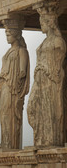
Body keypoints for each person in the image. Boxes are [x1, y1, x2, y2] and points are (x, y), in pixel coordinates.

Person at [27, 8, 66, 146]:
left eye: (42, 21)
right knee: (32, 108)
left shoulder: (58, 41)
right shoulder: (44, 42)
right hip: (40, 81)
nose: (40, 24)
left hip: (51, 81)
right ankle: (41, 139)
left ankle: (50, 140)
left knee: (49, 111)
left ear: (50, 22)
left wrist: (50, 73)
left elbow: (59, 65)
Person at [0, 28, 30, 149]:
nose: (7, 36)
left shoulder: (22, 51)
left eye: (9, 34)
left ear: (16, 35)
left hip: (13, 88)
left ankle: (10, 143)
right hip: (5, 86)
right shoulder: (9, 51)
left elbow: (22, 72)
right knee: (3, 112)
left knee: (10, 112)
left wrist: (9, 77)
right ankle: (5, 141)